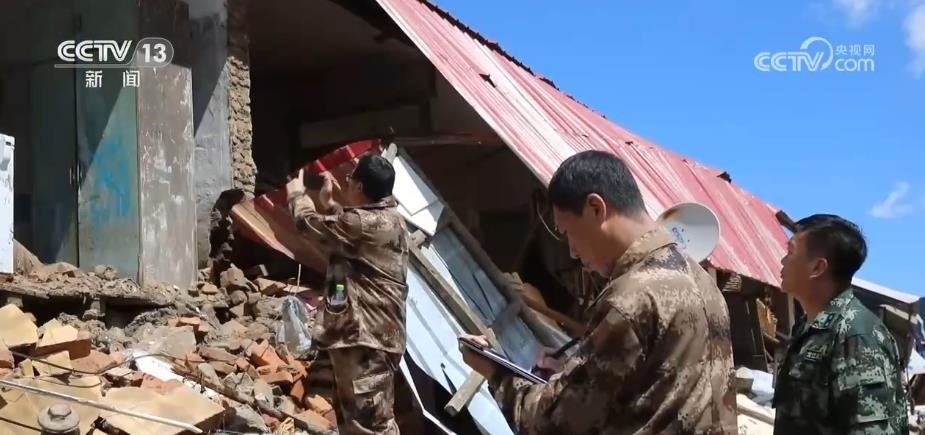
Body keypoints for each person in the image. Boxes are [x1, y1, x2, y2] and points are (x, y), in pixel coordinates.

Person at [460, 150, 738, 434]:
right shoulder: (702, 282)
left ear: (596, 208)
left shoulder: (631, 298)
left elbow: (554, 424)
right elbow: (660, 391)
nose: (572, 251)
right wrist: (575, 373)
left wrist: (496, 373)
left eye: (567, 232)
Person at [287, 154, 409, 435]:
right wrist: (330, 204)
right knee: (355, 423)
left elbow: (310, 225)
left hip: (366, 339)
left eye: (350, 179)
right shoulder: (392, 220)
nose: (347, 182)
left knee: (371, 427)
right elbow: (353, 231)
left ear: (360, 187)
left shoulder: (360, 225)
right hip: (370, 337)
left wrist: (296, 195)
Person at [773, 214, 908, 434]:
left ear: (817, 267)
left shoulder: (856, 334)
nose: (783, 260)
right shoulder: (808, 328)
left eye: (791, 251)